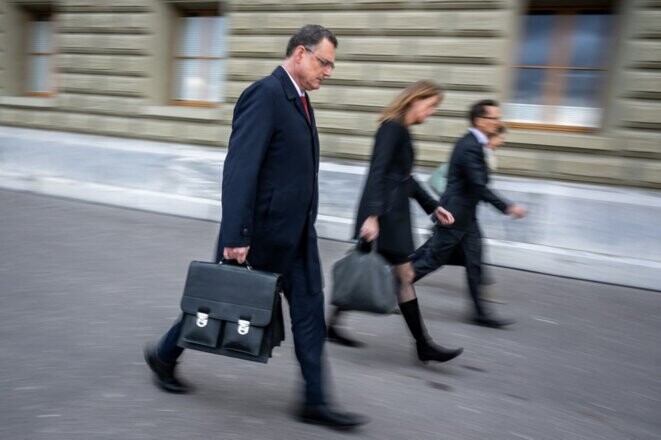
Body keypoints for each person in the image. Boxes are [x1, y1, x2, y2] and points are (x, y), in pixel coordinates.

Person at [144, 25, 367, 430]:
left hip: (297, 237)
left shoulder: (300, 100)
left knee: (310, 316)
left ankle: (314, 400)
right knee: (214, 306)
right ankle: (164, 355)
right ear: (300, 53)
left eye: (332, 65)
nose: (329, 72)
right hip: (258, 237)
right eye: (325, 62)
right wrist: (236, 237)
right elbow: (239, 171)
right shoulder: (265, 95)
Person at [328, 81, 464, 364]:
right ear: (415, 100)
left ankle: (332, 324)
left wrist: (433, 207)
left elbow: (406, 178)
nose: (431, 113)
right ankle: (423, 345)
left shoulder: (400, 130)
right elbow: (378, 171)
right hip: (386, 216)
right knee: (403, 276)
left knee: (372, 268)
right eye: (431, 106)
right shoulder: (392, 128)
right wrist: (373, 216)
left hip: (393, 214)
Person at [411, 100, 527, 328]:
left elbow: (475, 186)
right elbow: (478, 186)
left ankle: (480, 313)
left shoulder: (476, 144)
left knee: (474, 262)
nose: (498, 123)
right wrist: (507, 207)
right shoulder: (470, 146)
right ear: (479, 120)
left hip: (466, 217)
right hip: (454, 216)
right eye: (494, 118)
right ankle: (393, 286)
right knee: (431, 260)